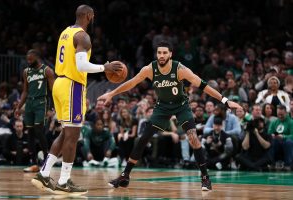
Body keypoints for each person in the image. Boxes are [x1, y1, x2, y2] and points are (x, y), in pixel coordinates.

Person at [98, 40, 242, 191]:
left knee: (193, 137)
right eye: (159, 52)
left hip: (181, 106)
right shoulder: (150, 69)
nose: (161, 55)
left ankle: (205, 177)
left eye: (164, 53)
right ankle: (125, 175)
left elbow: (203, 85)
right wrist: (112, 93)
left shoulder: (180, 69)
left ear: (170, 54)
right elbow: (132, 83)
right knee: (143, 138)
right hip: (162, 107)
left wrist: (226, 101)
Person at [31, 5, 122, 195]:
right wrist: (105, 67)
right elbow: (81, 65)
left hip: (60, 83)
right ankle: (64, 182)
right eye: (93, 15)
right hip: (72, 85)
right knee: (73, 136)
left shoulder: (65, 32)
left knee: (65, 133)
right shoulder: (83, 36)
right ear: (89, 16)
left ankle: (44, 173)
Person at [15, 49, 55, 172]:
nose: (28, 62)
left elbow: (53, 90)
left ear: (37, 58)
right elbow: (25, 91)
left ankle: (46, 159)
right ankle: (34, 162)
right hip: (29, 104)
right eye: (27, 59)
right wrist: (19, 106)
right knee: (30, 132)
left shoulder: (47, 70)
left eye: (31, 59)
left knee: (39, 130)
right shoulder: (26, 72)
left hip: (41, 102)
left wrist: (51, 107)